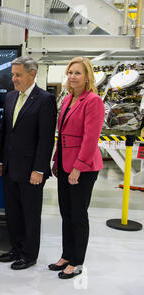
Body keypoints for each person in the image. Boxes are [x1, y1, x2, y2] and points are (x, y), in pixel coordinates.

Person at [0, 56, 57, 270]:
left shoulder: (45, 100)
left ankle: (29, 255)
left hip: (32, 170)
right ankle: (16, 248)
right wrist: (1, 159)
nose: (14, 79)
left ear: (32, 74)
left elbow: (46, 139)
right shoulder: (11, 97)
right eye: (12, 74)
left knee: (30, 214)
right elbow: (5, 132)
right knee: (13, 212)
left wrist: (39, 169)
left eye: (18, 75)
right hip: (10, 167)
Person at [49, 57, 105, 279]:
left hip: (83, 167)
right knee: (66, 213)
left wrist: (78, 168)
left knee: (78, 215)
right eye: (70, 72)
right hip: (64, 163)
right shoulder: (68, 99)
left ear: (87, 76)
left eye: (78, 73)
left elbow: (91, 139)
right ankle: (66, 255)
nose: (72, 76)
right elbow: (62, 134)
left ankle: (77, 261)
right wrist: (56, 159)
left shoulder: (93, 101)